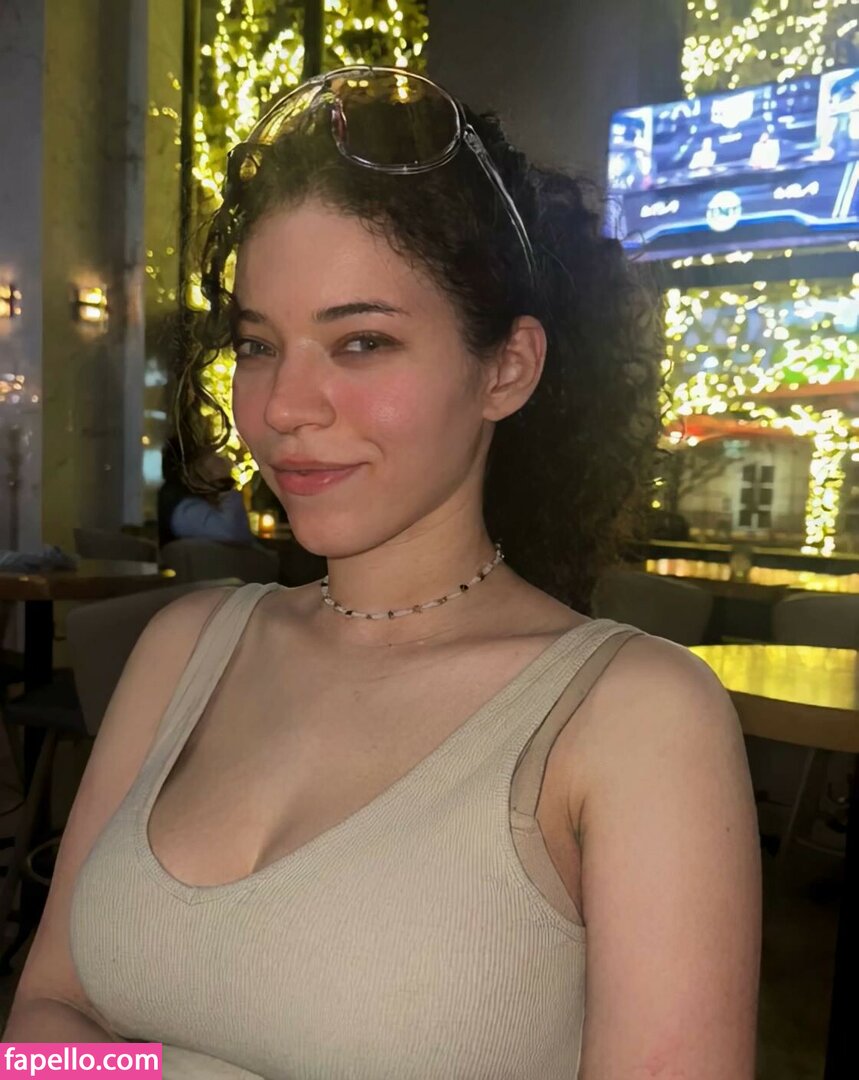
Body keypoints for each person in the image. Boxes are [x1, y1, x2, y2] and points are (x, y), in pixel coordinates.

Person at [5, 67, 760, 1077]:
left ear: (506, 369)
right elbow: (40, 1026)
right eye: (258, 345)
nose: (283, 407)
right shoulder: (185, 648)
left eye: (361, 341)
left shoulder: (630, 717)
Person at [157, 435, 255, 549]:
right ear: (191, 466)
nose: (222, 458)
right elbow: (233, 533)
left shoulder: (201, 496)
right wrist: (226, 484)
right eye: (212, 455)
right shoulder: (184, 508)